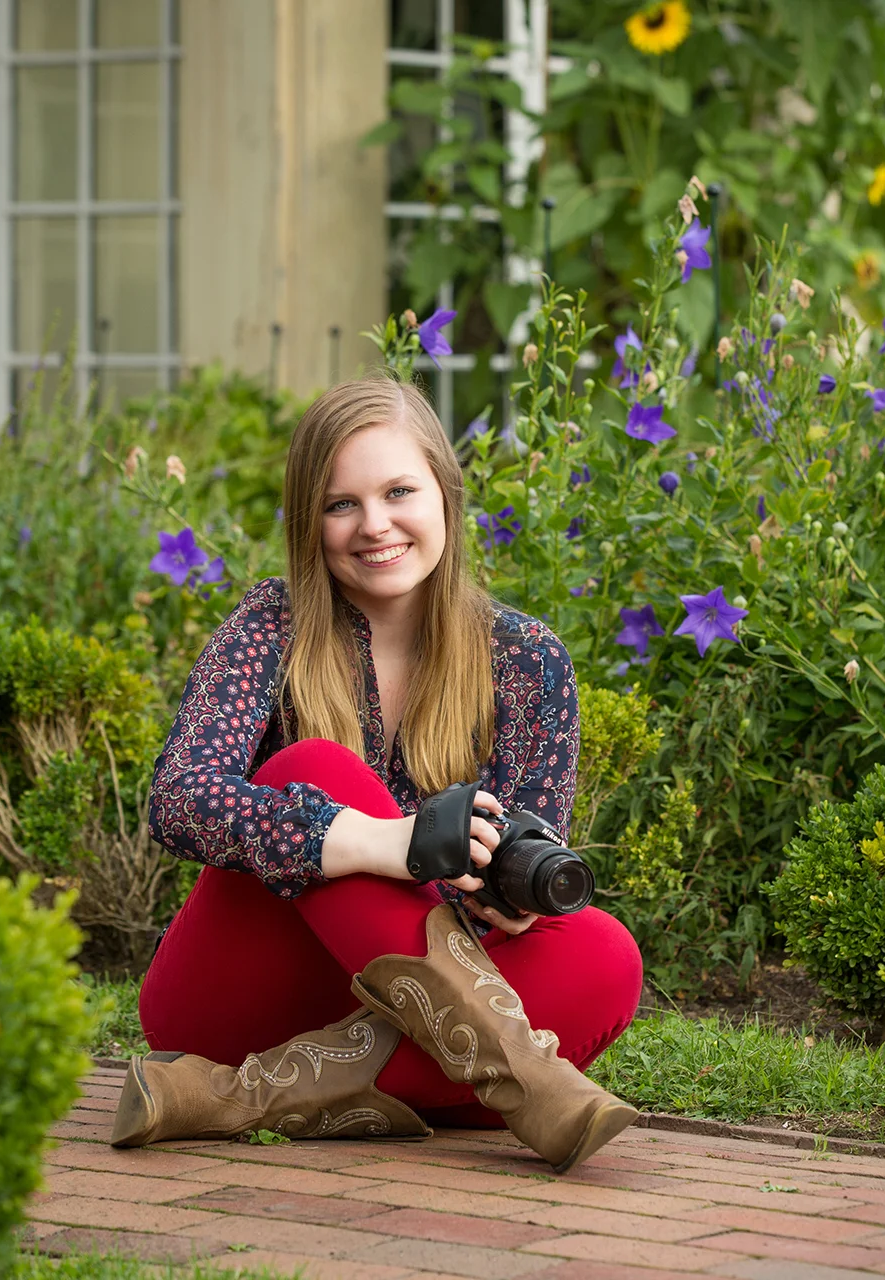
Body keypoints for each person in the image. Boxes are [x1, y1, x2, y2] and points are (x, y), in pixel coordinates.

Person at [113, 376, 643, 1175]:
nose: (375, 526)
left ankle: (229, 1097)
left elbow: (533, 857)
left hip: (412, 1013)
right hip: (238, 993)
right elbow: (181, 799)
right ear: (308, 522)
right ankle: (518, 1072)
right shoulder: (273, 626)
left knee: (604, 954)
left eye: (399, 491)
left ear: (445, 496)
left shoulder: (527, 660)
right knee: (317, 767)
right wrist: (380, 843)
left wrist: (504, 901)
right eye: (341, 504)